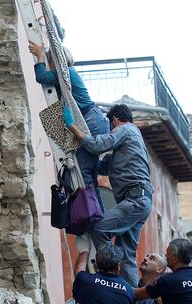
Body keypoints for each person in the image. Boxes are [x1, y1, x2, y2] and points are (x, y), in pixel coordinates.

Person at [65, 103, 153, 287]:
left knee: (98, 227)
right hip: (141, 201)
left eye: (111, 127)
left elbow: (99, 144)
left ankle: (109, 271)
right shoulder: (133, 140)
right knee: (128, 256)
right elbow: (104, 166)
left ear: (114, 121)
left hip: (135, 200)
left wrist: (73, 127)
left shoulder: (126, 129)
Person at [28, 41, 109, 207]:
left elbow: (42, 77)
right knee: (90, 173)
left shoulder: (66, 73)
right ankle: (96, 212)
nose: (49, 66)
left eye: (50, 62)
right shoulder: (69, 74)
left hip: (89, 119)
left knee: (83, 170)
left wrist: (40, 55)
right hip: (94, 118)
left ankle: (90, 213)